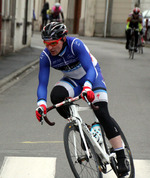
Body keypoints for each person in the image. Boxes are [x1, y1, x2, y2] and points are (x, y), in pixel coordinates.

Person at [35, 22, 129, 176]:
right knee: (56, 97)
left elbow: (90, 69)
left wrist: (87, 87)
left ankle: (121, 155)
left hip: (92, 77)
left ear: (63, 39)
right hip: (72, 80)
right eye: (46, 43)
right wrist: (41, 104)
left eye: (53, 43)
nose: (50, 47)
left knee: (102, 113)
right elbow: (42, 84)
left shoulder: (75, 45)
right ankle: (81, 128)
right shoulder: (45, 56)